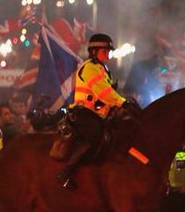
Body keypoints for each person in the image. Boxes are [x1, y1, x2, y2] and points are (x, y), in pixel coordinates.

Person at [58, 33, 136, 189]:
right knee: (95, 137)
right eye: (104, 51)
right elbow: (104, 92)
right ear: (93, 52)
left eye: (109, 51)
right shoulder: (90, 68)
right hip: (84, 113)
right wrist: (123, 103)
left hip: (98, 114)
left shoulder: (102, 68)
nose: (108, 54)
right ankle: (66, 171)